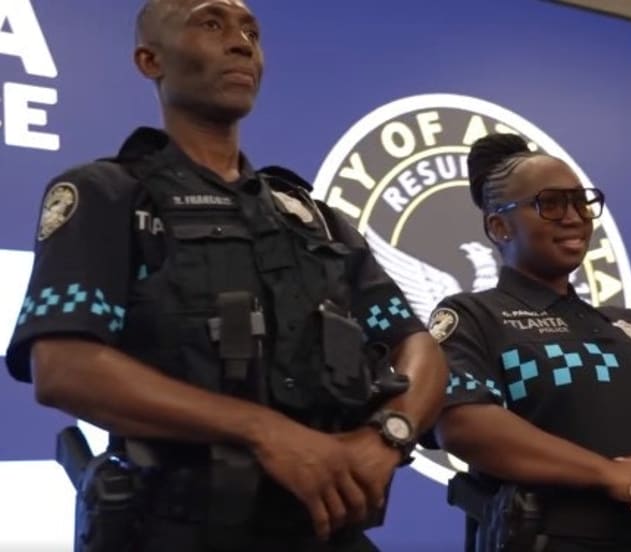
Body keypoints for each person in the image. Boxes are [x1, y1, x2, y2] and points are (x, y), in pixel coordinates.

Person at [5, 1, 448, 550]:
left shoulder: (311, 216)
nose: (241, 43)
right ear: (150, 60)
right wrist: (263, 432)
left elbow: (417, 344)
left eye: (251, 32)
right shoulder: (109, 194)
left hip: (327, 531)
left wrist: (387, 438)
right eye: (210, 24)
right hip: (179, 530)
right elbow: (64, 367)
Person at [429, 133, 631, 552]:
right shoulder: (473, 316)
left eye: (581, 202)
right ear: (499, 226)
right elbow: (463, 425)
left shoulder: (630, 325)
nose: (574, 217)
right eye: (551, 204)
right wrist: (610, 476)